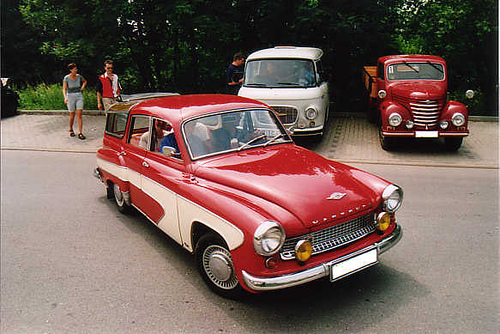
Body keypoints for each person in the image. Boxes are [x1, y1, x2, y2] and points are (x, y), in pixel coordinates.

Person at [63, 62, 87, 140]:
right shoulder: (66, 78)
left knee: (79, 114)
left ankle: (80, 132)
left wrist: (82, 88)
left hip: (78, 95)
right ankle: (71, 128)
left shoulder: (79, 76)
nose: (76, 70)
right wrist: (65, 97)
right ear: (71, 70)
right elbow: (64, 89)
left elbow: (85, 81)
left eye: (76, 69)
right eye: (74, 69)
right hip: (70, 96)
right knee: (72, 114)